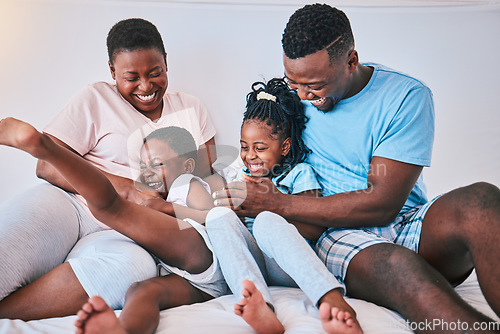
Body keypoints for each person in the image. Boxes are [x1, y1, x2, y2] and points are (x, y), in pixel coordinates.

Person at [213, 3, 500, 332]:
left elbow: (383, 204)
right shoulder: (292, 100)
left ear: (351, 61)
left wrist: (278, 203)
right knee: (398, 265)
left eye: (316, 86)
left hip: (406, 221)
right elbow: (259, 151)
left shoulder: (405, 96)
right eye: (294, 83)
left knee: (481, 201)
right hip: (336, 233)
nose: (303, 96)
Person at [0, 18, 222, 320]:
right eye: (131, 77)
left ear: (166, 63)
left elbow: (205, 177)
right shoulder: (96, 97)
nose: (145, 86)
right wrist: (129, 190)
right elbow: (46, 168)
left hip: (131, 230)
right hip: (70, 204)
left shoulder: (191, 109)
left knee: (135, 270)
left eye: (155, 73)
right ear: (112, 71)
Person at [0, 119, 227, 334]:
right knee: (142, 291)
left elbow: (211, 216)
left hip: (202, 254)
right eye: (143, 166)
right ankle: (125, 330)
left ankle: (47, 148)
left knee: (109, 207)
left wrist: (167, 209)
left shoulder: (188, 184)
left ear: (187, 165)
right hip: (196, 283)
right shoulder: (164, 196)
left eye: (157, 164)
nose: (148, 173)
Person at [206, 78, 362, 334]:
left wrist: (274, 204)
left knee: (267, 220)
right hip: (254, 263)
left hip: (286, 264)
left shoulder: (299, 173)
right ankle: (260, 305)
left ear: (284, 146)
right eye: (244, 147)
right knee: (217, 216)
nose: (249, 155)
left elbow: (315, 229)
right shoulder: (240, 176)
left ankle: (329, 297)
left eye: (260, 148)